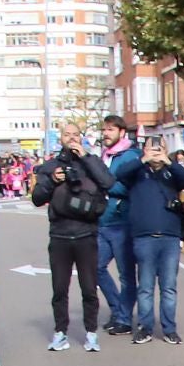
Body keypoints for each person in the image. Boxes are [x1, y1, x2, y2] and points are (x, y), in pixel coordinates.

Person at [31, 121, 114, 353]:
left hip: (86, 234)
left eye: (75, 134)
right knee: (59, 289)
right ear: (60, 138)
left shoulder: (91, 162)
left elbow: (108, 182)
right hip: (59, 235)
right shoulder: (51, 166)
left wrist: (85, 156)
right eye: (67, 135)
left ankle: (91, 333)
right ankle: (60, 332)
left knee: (89, 288)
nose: (71, 138)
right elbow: (37, 198)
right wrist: (52, 180)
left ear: (81, 137)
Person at [128, 136, 184, 345]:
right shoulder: (137, 171)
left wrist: (169, 162)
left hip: (170, 236)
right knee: (145, 286)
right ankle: (145, 327)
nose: (155, 152)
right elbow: (118, 175)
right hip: (144, 237)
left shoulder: (171, 172)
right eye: (151, 148)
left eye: (160, 148)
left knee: (169, 287)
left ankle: (169, 329)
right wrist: (143, 160)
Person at [95, 115, 143, 336]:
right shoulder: (105, 155)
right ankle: (117, 310)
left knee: (126, 275)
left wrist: (104, 185)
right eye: (104, 130)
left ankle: (124, 319)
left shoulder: (130, 156)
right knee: (95, 268)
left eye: (111, 129)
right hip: (102, 221)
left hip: (122, 222)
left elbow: (129, 188)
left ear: (122, 132)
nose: (106, 133)